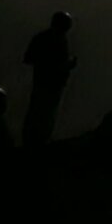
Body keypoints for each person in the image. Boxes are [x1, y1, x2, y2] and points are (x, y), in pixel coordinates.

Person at [22, 11, 76, 148]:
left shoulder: (46, 38)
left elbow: (28, 58)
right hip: (49, 82)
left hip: (47, 82)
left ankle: (35, 140)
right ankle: (37, 141)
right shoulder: (55, 40)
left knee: (41, 111)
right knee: (44, 112)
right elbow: (31, 58)